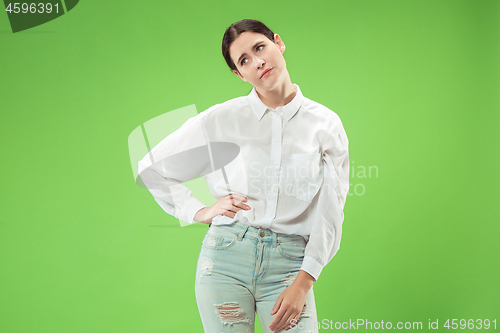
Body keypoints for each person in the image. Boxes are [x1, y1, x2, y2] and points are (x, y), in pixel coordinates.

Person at [138, 19, 349, 333]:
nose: (257, 61)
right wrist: (199, 211)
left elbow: (331, 210)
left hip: (289, 263)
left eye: (260, 47)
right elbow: (152, 167)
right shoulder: (222, 119)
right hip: (225, 260)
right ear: (239, 74)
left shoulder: (325, 124)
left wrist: (304, 281)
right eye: (244, 60)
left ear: (278, 43)